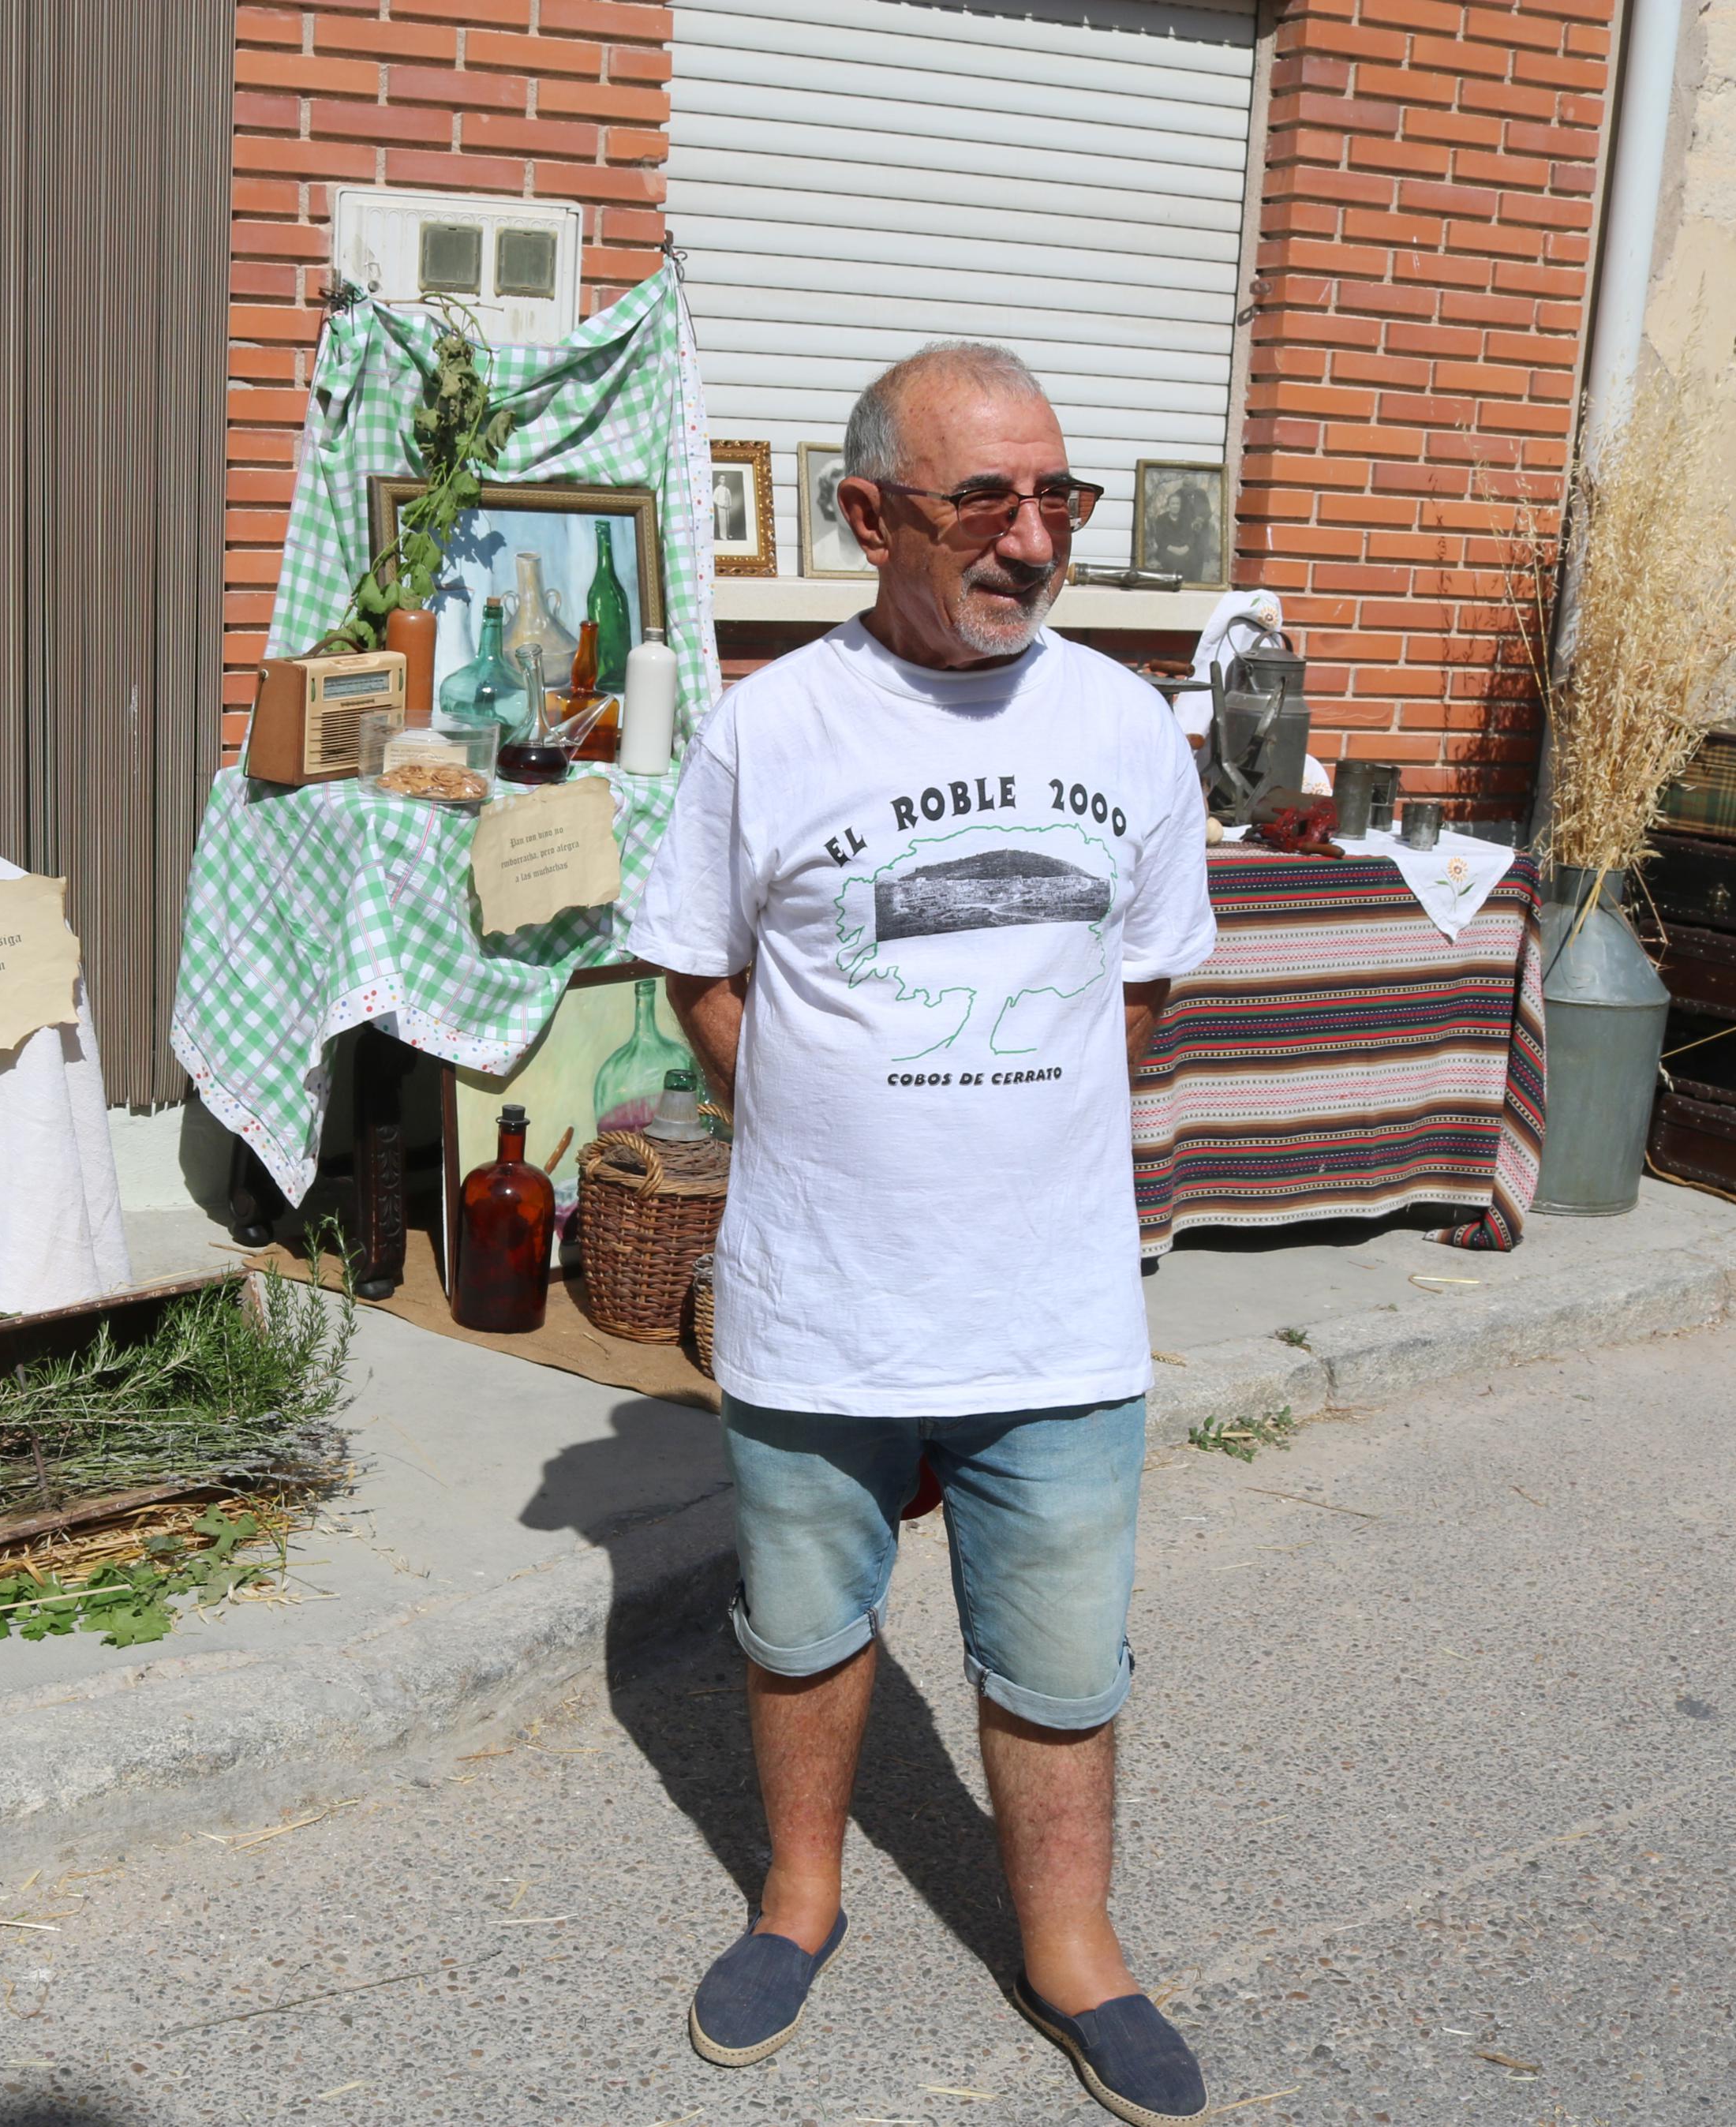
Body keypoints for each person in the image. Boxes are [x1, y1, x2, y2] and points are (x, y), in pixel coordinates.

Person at [630, 343, 1218, 2124]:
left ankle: (1071, 1945)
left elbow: (1132, 989)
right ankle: (796, 1901)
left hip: (1051, 1311)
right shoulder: (768, 724)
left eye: (1060, 499)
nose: (1033, 541)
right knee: (802, 1625)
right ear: (866, 514)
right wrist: (821, 1136)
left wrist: (996, 1140)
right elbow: (698, 970)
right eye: (987, 501)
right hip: (821, 1301)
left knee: (1056, 1653)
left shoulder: (1120, 721)